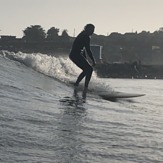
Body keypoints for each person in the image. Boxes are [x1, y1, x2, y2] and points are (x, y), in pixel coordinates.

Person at [69, 24, 96, 92]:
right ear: (87, 29)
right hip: (75, 55)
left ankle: (79, 84)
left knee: (88, 69)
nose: (92, 31)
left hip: (75, 55)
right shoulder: (85, 36)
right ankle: (83, 86)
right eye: (91, 30)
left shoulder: (82, 34)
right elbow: (88, 49)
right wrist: (93, 60)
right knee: (89, 69)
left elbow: (82, 49)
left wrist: (85, 58)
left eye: (93, 30)